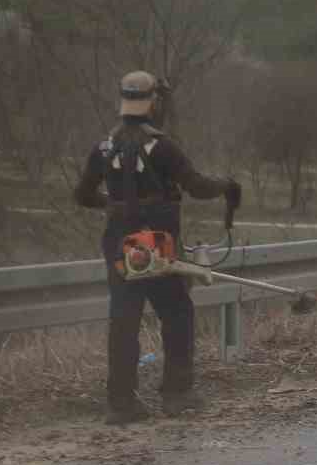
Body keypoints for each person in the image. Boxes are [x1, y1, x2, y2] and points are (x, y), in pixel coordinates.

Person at [74, 71, 241, 424]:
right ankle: (177, 395)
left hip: (120, 245)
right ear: (154, 102)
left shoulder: (104, 146)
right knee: (177, 313)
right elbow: (196, 186)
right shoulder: (162, 147)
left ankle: (120, 404)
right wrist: (227, 185)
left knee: (123, 321)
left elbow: (82, 195)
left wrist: (116, 203)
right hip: (157, 246)